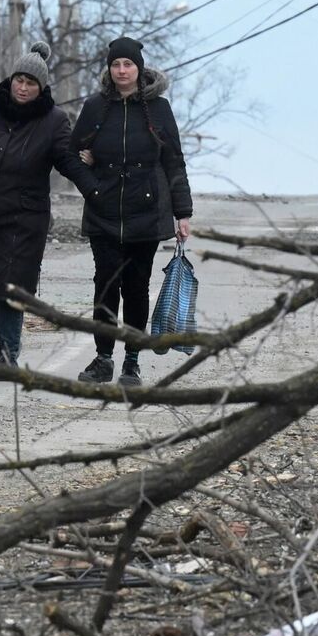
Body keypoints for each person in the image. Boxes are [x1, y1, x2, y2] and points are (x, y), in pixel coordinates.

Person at [0, 41, 99, 367]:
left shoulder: (54, 121)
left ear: (42, 88)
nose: (23, 88)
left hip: (23, 219)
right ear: (11, 80)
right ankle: (5, 343)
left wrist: (96, 190)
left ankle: (8, 354)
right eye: (19, 80)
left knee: (9, 290)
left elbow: (67, 161)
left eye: (31, 83)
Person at [70, 36, 192, 388]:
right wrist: (89, 180)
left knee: (137, 287)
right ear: (109, 69)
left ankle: (132, 362)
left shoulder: (158, 109)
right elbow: (69, 153)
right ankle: (103, 358)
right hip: (102, 210)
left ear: (139, 68)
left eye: (128, 64)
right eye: (116, 65)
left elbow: (174, 162)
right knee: (105, 283)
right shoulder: (96, 107)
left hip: (146, 211)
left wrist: (182, 212)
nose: (122, 70)